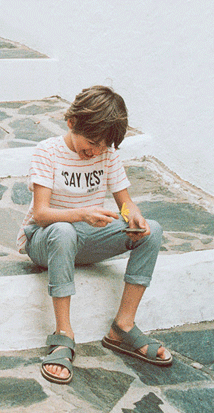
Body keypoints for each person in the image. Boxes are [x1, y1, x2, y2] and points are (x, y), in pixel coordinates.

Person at [16, 85, 172, 385]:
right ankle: (63, 335)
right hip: (45, 239)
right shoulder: (48, 151)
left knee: (152, 231)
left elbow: (124, 203)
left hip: (86, 237)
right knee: (63, 231)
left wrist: (133, 216)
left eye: (104, 146)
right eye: (91, 143)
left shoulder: (106, 155)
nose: (96, 152)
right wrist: (82, 214)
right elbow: (41, 214)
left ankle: (122, 327)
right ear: (71, 122)